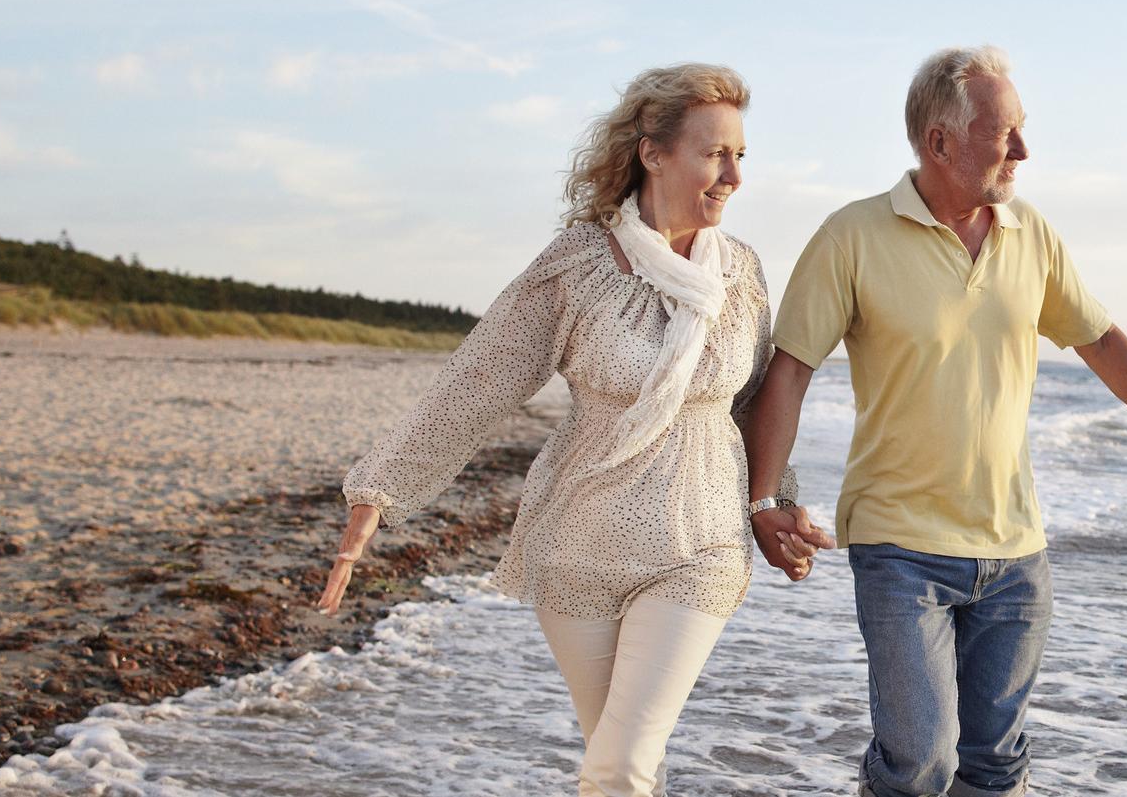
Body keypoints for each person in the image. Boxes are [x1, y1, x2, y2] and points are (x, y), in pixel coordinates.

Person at [313, 62, 833, 797]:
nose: (734, 176)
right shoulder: (577, 264)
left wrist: (771, 503)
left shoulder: (739, 272)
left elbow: (752, 401)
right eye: (715, 153)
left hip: (701, 547)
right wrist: (380, 489)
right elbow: (479, 378)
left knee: (618, 768)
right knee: (620, 765)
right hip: (578, 546)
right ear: (653, 152)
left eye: (741, 155)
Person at [742, 45, 1127, 797]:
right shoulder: (853, 235)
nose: (1025, 151)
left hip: (1016, 552)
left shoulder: (1031, 234)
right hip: (899, 545)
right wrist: (764, 499)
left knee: (995, 764)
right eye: (1006, 134)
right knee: (921, 762)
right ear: (940, 141)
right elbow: (792, 367)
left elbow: (1098, 338)